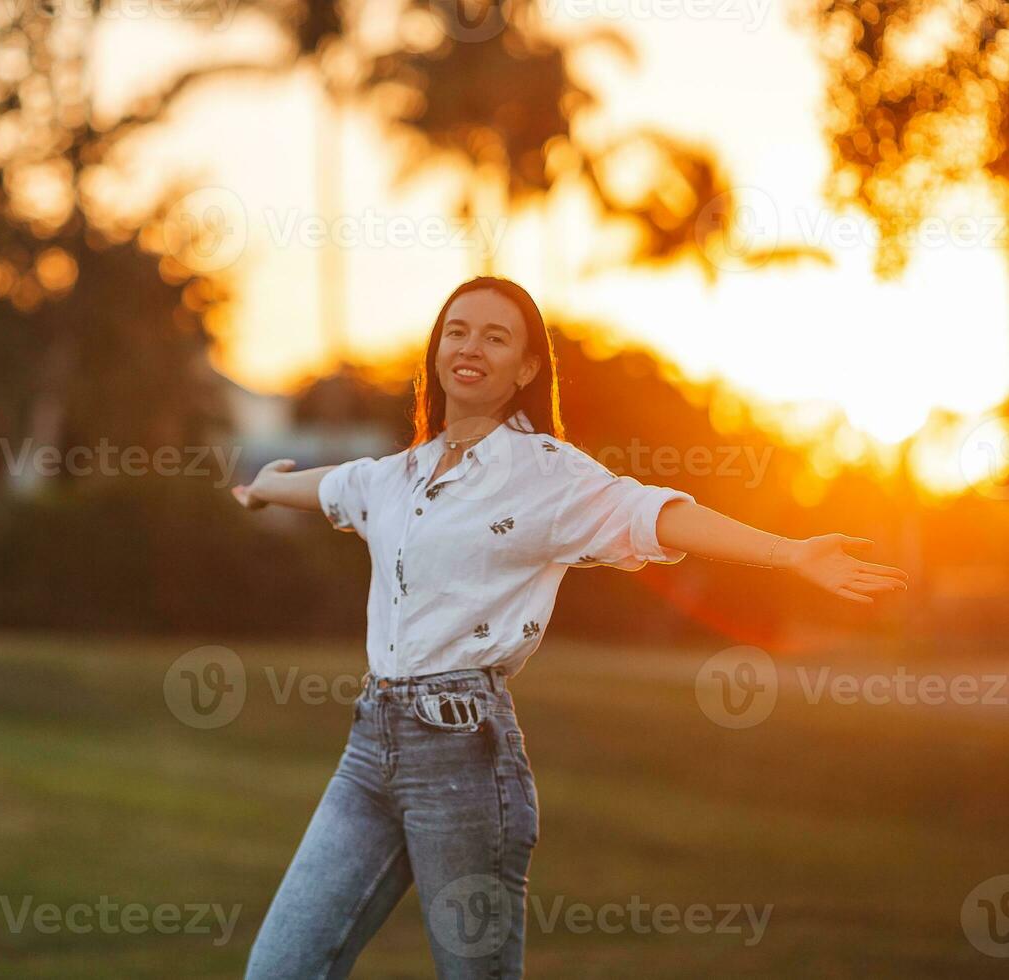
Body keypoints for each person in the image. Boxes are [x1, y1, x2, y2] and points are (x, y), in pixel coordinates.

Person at [229, 276, 908, 978]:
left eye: (497, 337)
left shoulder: (546, 474)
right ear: (436, 350)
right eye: (457, 330)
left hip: (465, 761)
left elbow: (653, 514)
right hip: (370, 751)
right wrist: (264, 488)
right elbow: (337, 485)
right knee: (280, 968)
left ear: (526, 370)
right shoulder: (402, 474)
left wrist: (789, 552)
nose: (471, 347)